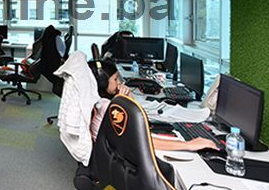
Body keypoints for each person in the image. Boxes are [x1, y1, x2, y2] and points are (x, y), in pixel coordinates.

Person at [89, 59, 218, 152]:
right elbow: (141, 141)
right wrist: (189, 145)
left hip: (116, 155)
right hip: (121, 159)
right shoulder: (109, 108)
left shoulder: (101, 103)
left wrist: (128, 98)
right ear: (102, 83)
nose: (119, 83)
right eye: (115, 79)